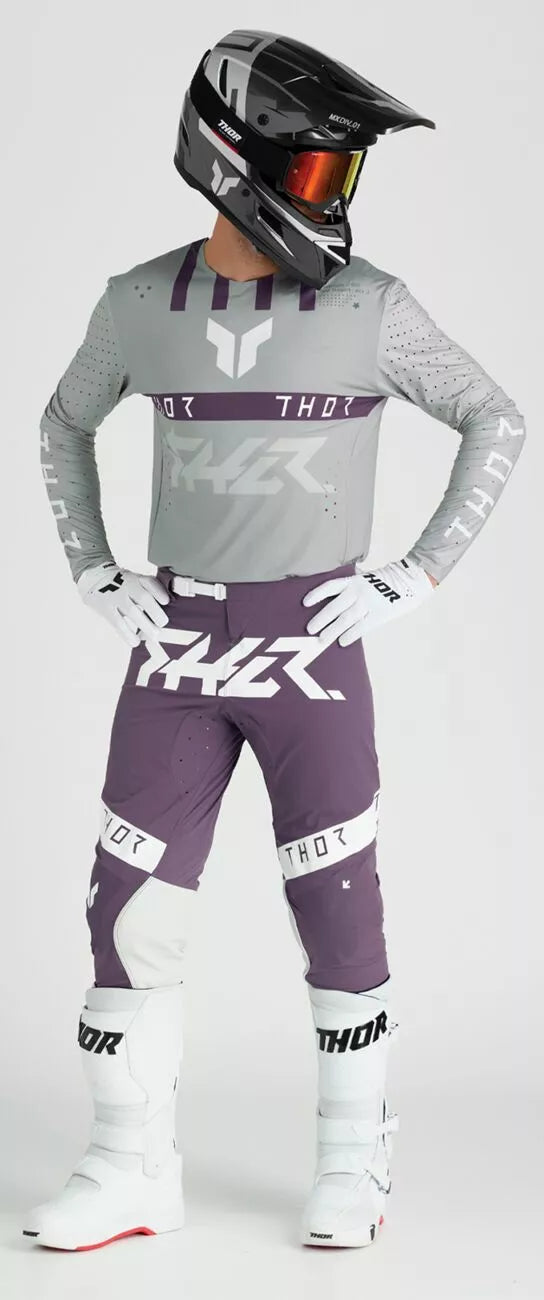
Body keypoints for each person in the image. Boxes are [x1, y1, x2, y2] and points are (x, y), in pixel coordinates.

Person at [26, 29, 526, 1253]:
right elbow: (62, 421)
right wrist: (92, 568)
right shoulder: (138, 303)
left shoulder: (369, 306)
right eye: (309, 170)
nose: (330, 197)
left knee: (338, 902)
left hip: (312, 642)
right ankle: (126, 1164)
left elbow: (494, 417)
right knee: (128, 908)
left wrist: (412, 575)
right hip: (176, 647)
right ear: (226, 158)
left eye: (339, 174)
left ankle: (354, 1159)